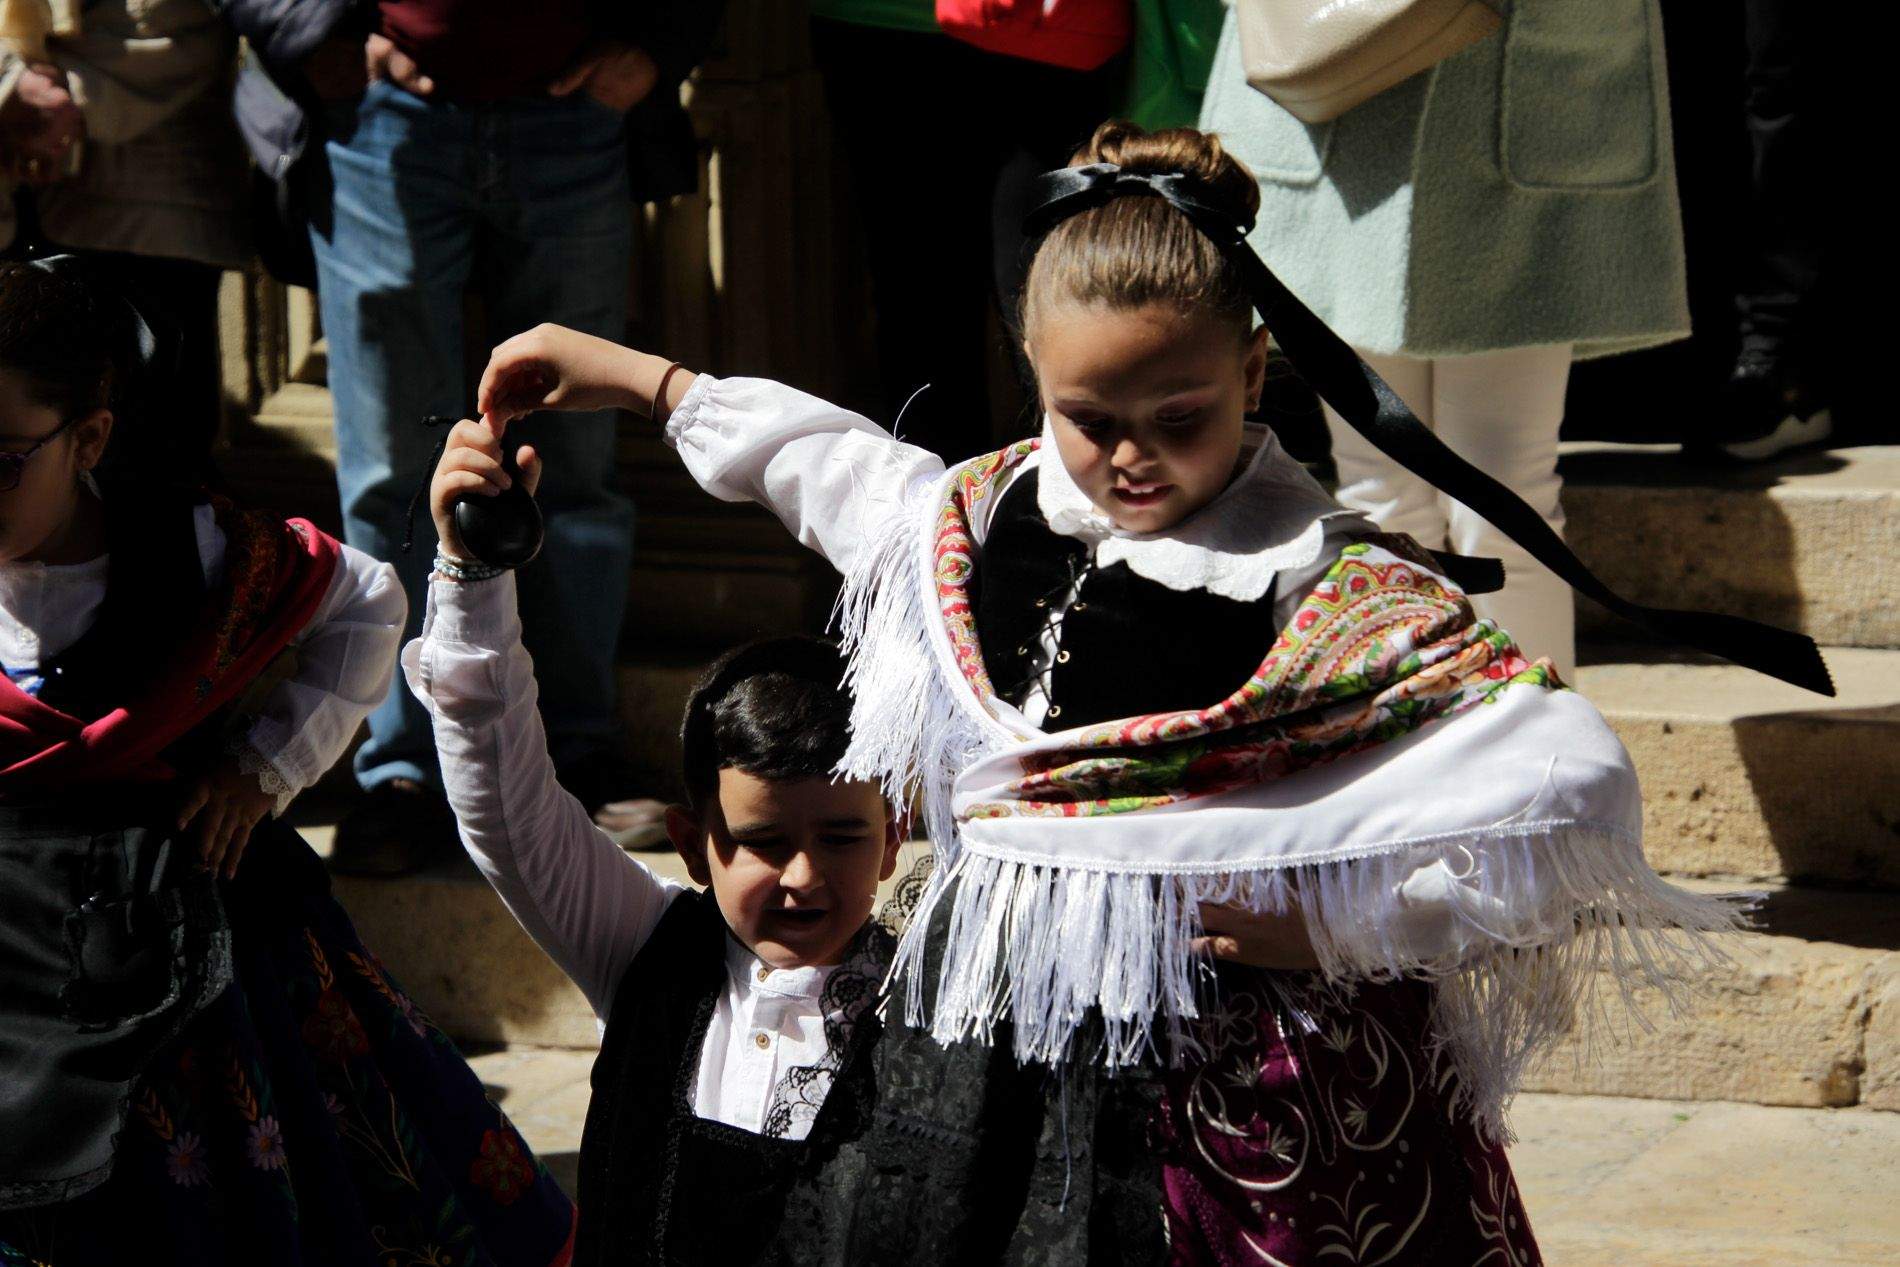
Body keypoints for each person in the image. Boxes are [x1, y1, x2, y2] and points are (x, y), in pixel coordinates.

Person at [471, 122, 1781, 1262]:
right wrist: (637, 376)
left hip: (1258, 1100)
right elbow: (832, 468)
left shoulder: (1325, 588)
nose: (1132, 454)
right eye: (1089, 414)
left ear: (1253, 377)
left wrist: (1320, 929)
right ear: (1034, 378)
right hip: (993, 1062)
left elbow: (1561, 795)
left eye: (1182, 412)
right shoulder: (970, 520)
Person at [0, 260, 574, 1265]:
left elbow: (363, 602)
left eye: (0, 456)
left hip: (180, 934)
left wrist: (265, 768)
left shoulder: (192, 546)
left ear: (87, 437)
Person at [218, 0, 728, 874]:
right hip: (381, 121)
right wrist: (312, 31)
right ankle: (406, 772)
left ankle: (575, 749)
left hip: (575, 113)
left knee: (574, 459)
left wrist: (657, 40)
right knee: (393, 471)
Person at [407, 424, 905, 1262]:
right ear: (691, 842)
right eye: (763, 840)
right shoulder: (647, 951)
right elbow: (506, 806)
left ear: (895, 838)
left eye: (844, 834)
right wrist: (475, 575)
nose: (805, 875)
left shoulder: (928, 1004)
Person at [1197, 0, 1696, 679]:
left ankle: (1532, 762)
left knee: (1499, 494)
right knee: (1394, 490)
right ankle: (1414, 748)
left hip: (1521, 81)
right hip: (1353, 77)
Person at [0, 0, 250, 485]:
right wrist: (11, 87)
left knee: (151, 467)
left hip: (146, 217)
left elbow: (187, 29)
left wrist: (47, 97)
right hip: (25, 213)